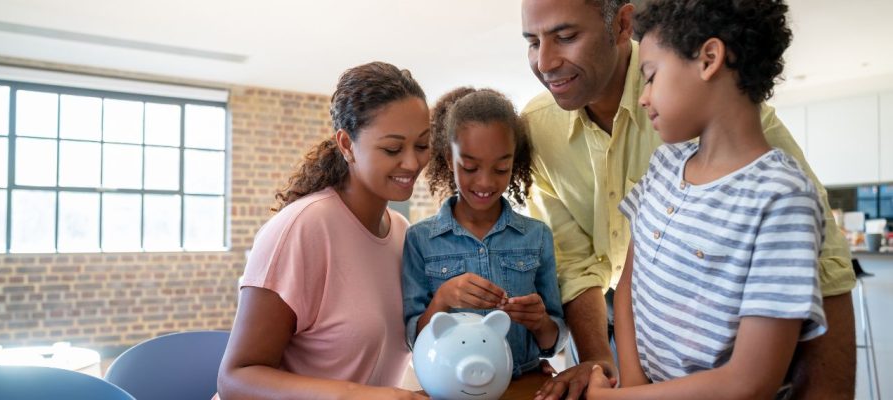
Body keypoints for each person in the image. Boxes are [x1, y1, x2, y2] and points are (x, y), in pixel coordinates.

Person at [519, 1, 857, 399]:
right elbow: (593, 269)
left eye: (566, 36)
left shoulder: (775, 185)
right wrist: (618, 375)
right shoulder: (663, 161)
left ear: (622, 25)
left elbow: (826, 270)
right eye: (531, 41)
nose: (544, 61)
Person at [217, 61, 431, 400]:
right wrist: (363, 396)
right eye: (393, 148)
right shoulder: (302, 228)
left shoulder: (404, 234)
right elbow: (236, 381)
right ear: (346, 144)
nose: (412, 162)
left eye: (422, 145)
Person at [401, 87, 569, 377]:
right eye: (469, 167)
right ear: (447, 159)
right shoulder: (419, 240)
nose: (485, 181)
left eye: (501, 168)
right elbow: (413, 341)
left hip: (523, 385)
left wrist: (540, 322)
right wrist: (443, 298)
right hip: (451, 389)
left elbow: (553, 342)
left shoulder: (537, 236)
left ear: (513, 162)